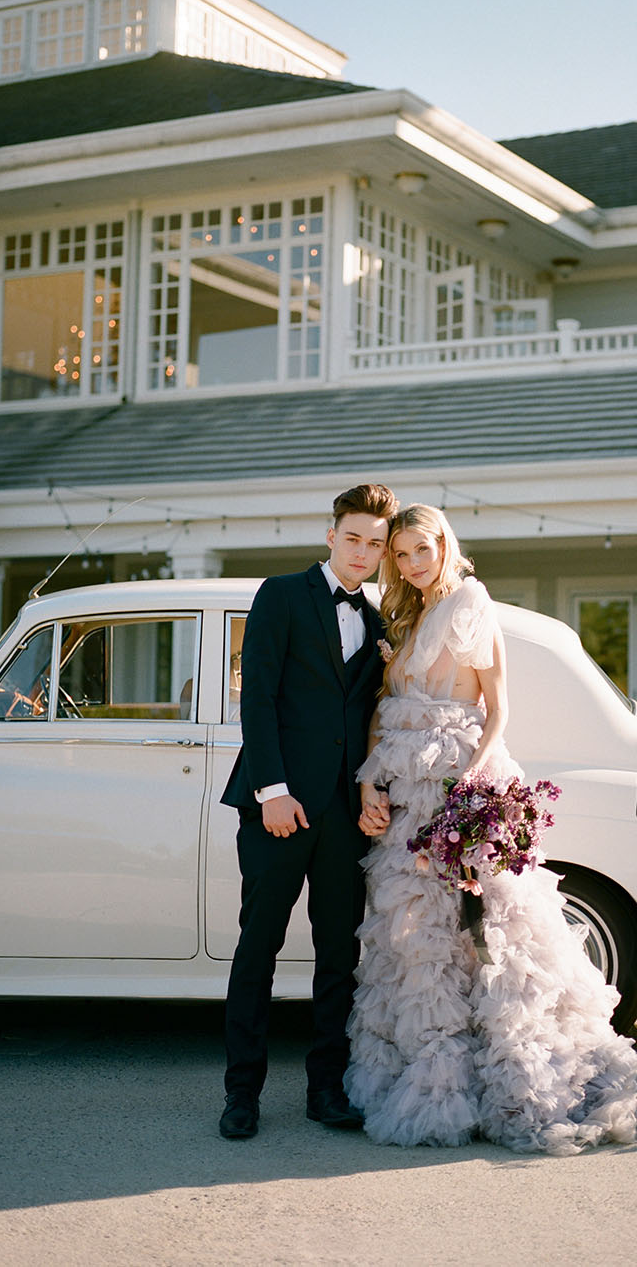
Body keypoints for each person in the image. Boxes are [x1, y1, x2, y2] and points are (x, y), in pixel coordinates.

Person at [346, 504, 637, 1155]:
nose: (410, 563)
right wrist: (369, 779)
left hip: (456, 781)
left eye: (419, 550)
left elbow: (497, 708)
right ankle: (434, 1076)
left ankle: (508, 1084)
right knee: (416, 941)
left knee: (490, 935)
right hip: (401, 790)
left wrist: (471, 788)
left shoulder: (470, 603)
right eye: (400, 555)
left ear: (443, 543)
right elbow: (382, 708)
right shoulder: (402, 616)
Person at [219, 482, 399, 1139]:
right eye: (352, 537)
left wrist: (373, 791)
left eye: (375, 544)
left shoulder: (380, 620)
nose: (362, 551)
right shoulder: (281, 595)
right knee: (257, 950)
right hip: (278, 806)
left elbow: (373, 720)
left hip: (345, 818)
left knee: (338, 956)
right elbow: (258, 697)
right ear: (331, 535)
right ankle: (242, 1093)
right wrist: (272, 790)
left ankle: (327, 1089)